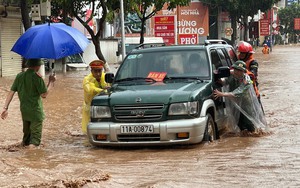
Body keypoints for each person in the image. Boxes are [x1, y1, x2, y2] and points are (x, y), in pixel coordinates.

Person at [1, 59, 56, 149]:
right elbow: (44, 94)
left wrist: (5, 107)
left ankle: (22, 157)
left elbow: (11, 92)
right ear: (38, 66)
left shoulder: (19, 76)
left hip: (24, 112)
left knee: (26, 140)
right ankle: (28, 159)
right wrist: (51, 82)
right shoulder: (37, 78)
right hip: (36, 113)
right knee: (34, 142)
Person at [213, 60, 266, 134]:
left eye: (240, 70)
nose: (237, 72)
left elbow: (238, 92)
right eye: (236, 70)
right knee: (238, 122)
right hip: (235, 102)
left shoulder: (247, 80)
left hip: (246, 103)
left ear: (244, 72)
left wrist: (222, 94)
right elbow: (226, 82)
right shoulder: (232, 75)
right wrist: (219, 79)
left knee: (249, 122)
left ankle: (252, 136)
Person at [82, 60, 110, 134]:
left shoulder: (106, 77)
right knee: (86, 132)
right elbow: (90, 90)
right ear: (91, 71)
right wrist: (102, 90)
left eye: (99, 71)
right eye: (95, 71)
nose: (98, 74)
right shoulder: (86, 79)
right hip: (89, 107)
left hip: (103, 108)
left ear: (102, 70)